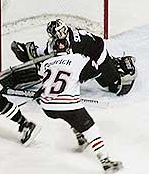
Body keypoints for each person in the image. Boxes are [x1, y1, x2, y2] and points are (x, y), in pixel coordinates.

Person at [34, 38, 123, 173]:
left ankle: (80, 137)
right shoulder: (78, 58)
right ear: (68, 47)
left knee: (66, 114)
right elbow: (96, 71)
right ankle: (106, 162)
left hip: (46, 106)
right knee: (90, 128)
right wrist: (82, 77)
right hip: (67, 105)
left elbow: (47, 79)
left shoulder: (45, 63)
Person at [10, 19, 136, 96]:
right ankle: (32, 51)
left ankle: (124, 64)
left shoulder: (73, 42)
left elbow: (67, 63)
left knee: (112, 86)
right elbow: (55, 51)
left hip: (98, 56)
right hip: (90, 53)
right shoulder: (63, 39)